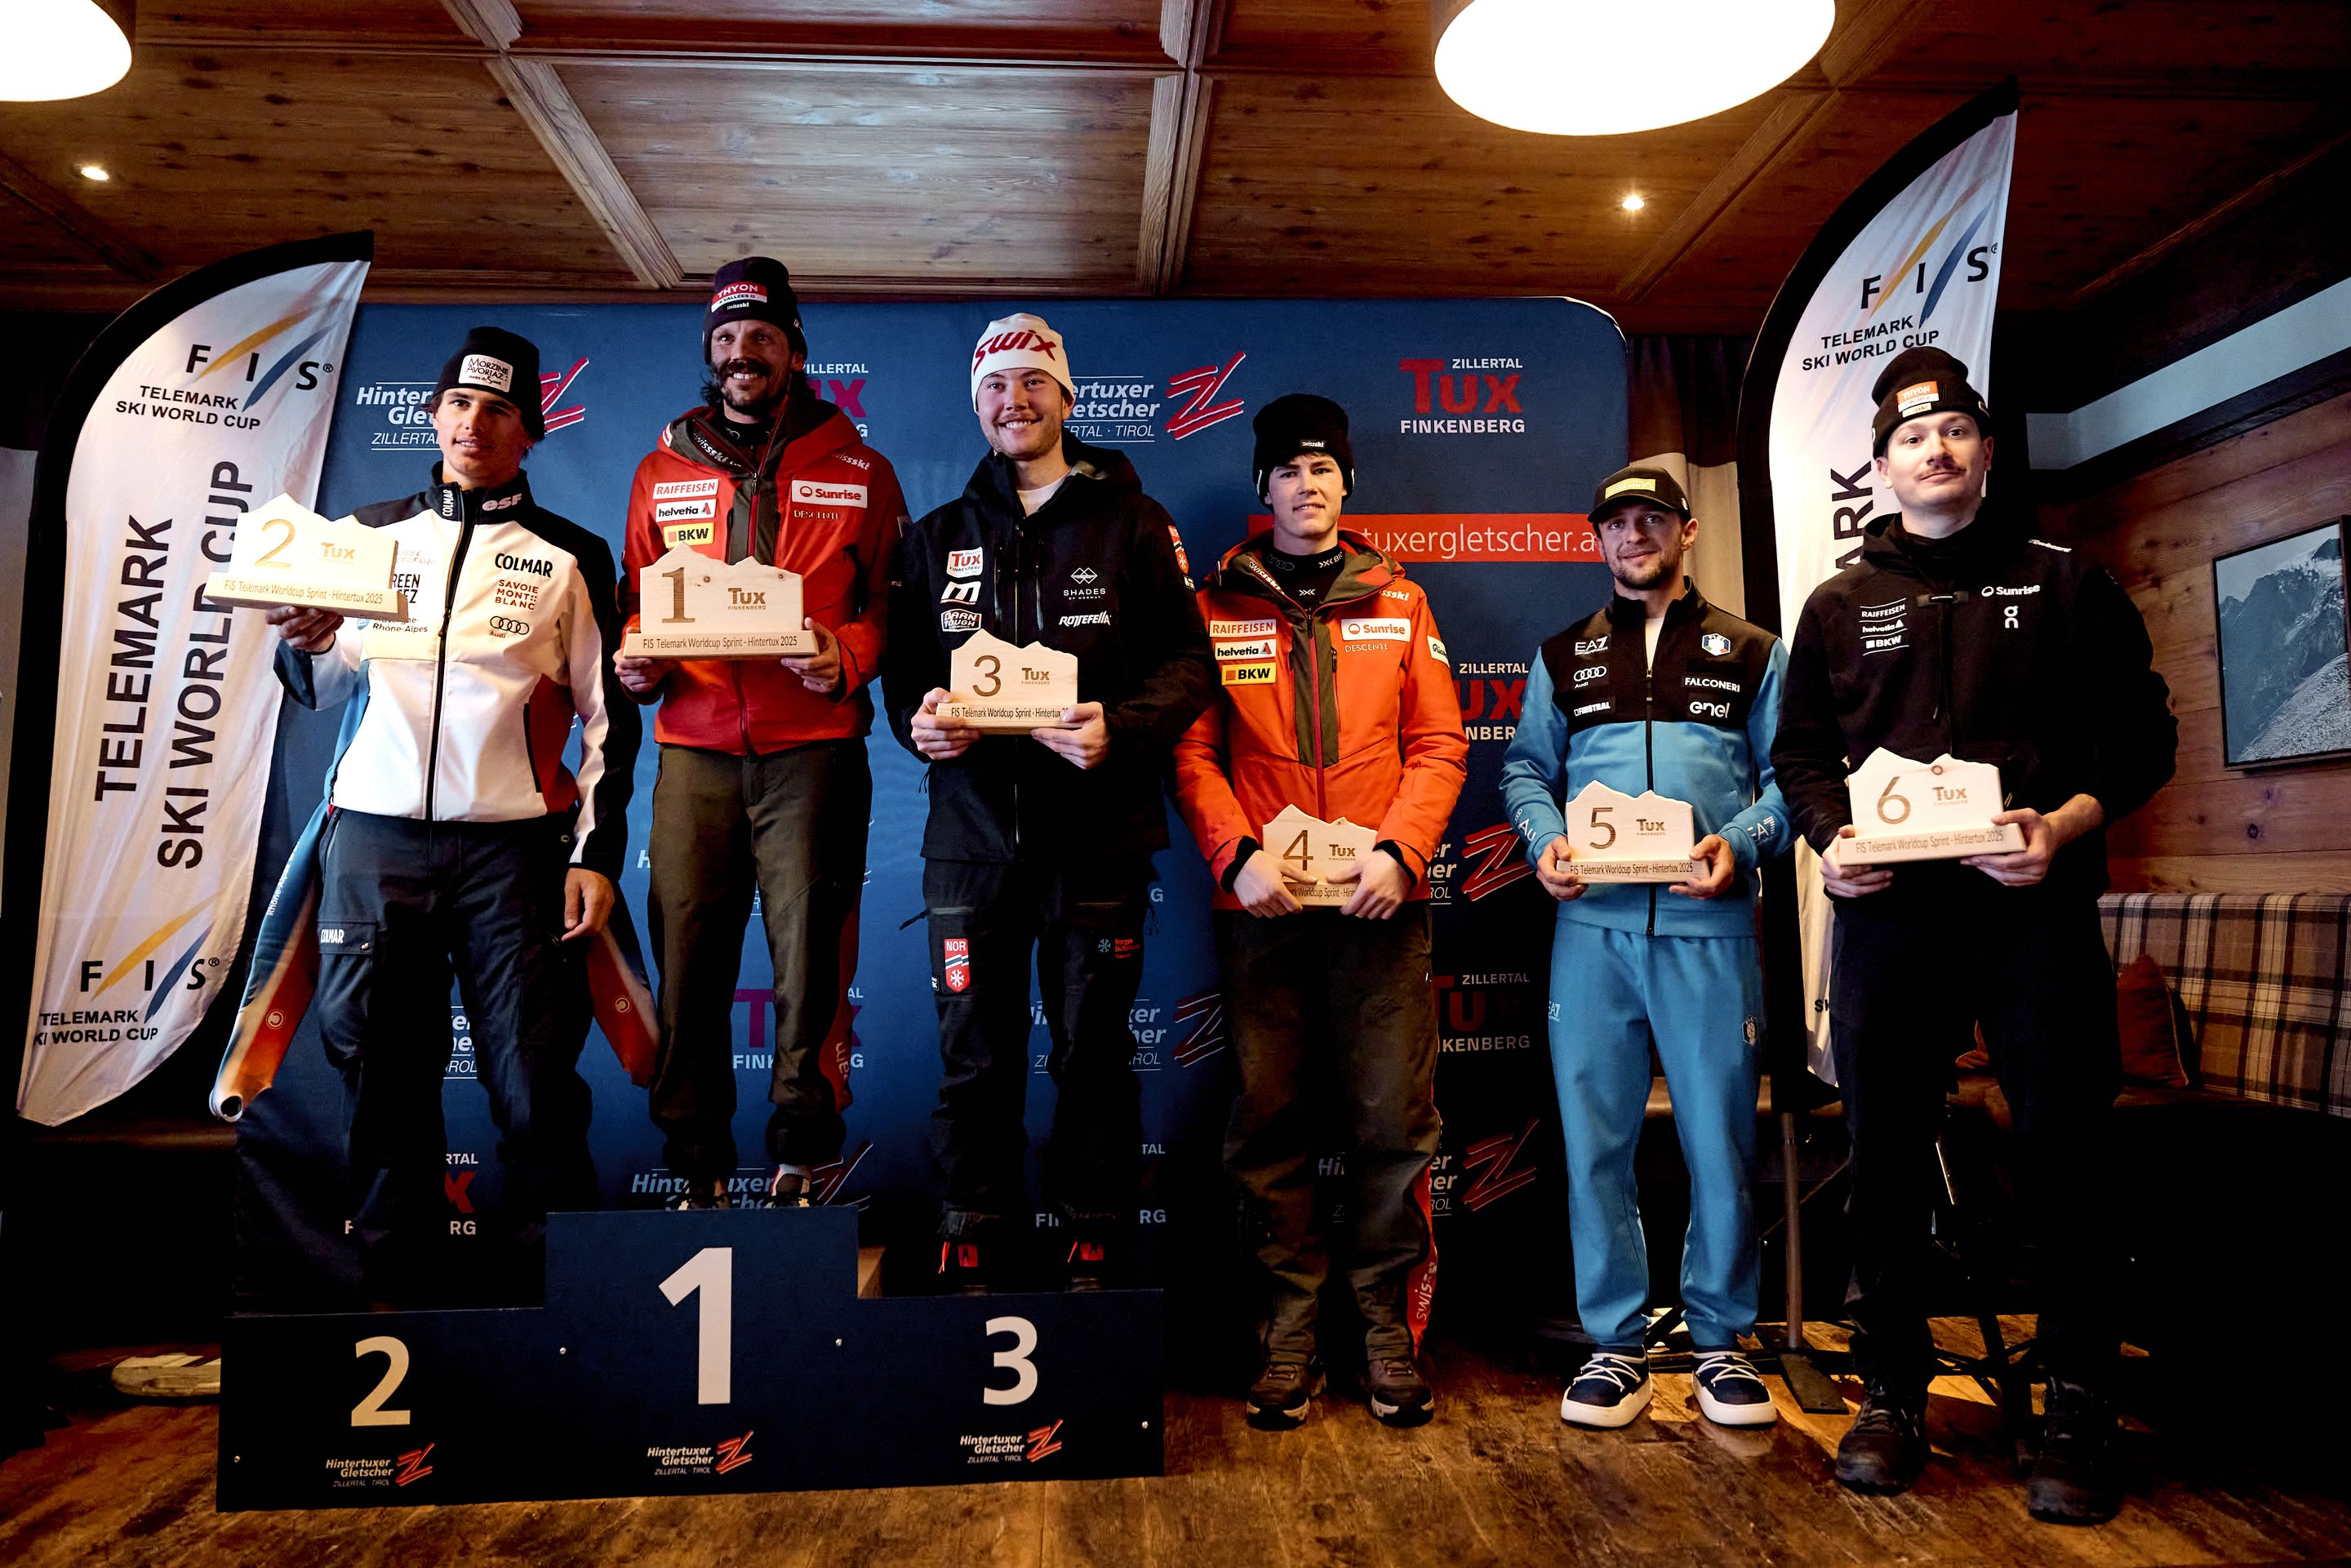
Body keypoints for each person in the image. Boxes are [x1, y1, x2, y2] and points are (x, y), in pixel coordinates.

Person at [1771, 346, 2175, 1523]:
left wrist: (2063, 825)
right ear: (1884, 466)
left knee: (2064, 1149)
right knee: (1884, 1154)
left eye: (1955, 431)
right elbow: (1801, 755)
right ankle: (1891, 1388)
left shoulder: (2067, 582)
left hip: (2029, 912)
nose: (1934, 450)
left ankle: (2078, 1401)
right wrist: (1828, 839)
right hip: (1891, 922)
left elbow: (2140, 741)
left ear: (1986, 453)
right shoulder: (1841, 601)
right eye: (1911, 437)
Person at [265, 326, 639, 1303]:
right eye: (461, 405)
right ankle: (401, 1308)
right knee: (381, 1083)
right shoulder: (367, 535)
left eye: (501, 411)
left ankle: (560, 1313)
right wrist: (309, 638)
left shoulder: (571, 555)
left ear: (529, 436)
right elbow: (322, 673)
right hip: (375, 842)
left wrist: (596, 854)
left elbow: (612, 721)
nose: (475, 424)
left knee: (534, 1086)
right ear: (434, 416)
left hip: (514, 852)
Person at [885, 311, 1214, 1293]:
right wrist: (920, 721)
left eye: (1033, 383)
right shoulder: (936, 535)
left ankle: (1092, 1223)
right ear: (977, 407)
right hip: (970, 841)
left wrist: (1120, 724)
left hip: (1097, 835)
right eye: (994, 386)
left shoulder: (1135, 524)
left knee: (1093, 1052)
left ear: (1066, 400)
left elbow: (1193, 666)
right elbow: (904, 673)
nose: (1013, 401)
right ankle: (972, 1221)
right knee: (973, 1052)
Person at [1170, 394, 1466, 1429]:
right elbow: (1194, 752)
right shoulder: (1216, 608)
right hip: (1265, 904)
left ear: (1347, 483)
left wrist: (1404, 851)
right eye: (1289, 471)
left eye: (1325, 469)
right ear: (1263, 490)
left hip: (1379, 905)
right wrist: (1234, 854)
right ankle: (1288, 1327)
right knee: (1272, 1123)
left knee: (1393, 1121)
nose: (1308, 485)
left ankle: (1386, 1326)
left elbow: (1439, 747)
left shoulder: (1403, 602)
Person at [1500, 465, 1793, 1433]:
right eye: (1618, 523)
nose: (1635, 536)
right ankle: (1616, 1346)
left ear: (1687, 530)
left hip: (1709, 930)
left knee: (1720, 1141)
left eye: (1652, 520)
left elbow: (1793, 778)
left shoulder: (1751, 649)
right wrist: (1543, 839)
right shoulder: (1565, 655)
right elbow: (1526, 768)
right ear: (1598, 540)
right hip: (1592, 933)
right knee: (1596, 1145)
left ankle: (1720, 1341)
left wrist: (1740, 842)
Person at [613, 257, 909, 1210]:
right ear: (712, 352)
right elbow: (638, 596)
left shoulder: (859, 464)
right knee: (689, 955)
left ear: (794, 351)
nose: (746, 354)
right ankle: (693, 1162)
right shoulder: (660, 467)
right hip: (694, 748)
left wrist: (850, 655)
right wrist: (637, 659)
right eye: (729, 339)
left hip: (814, 749)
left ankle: (801, 1155)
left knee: (810, 957)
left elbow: (889, 608)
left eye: (764, 338)